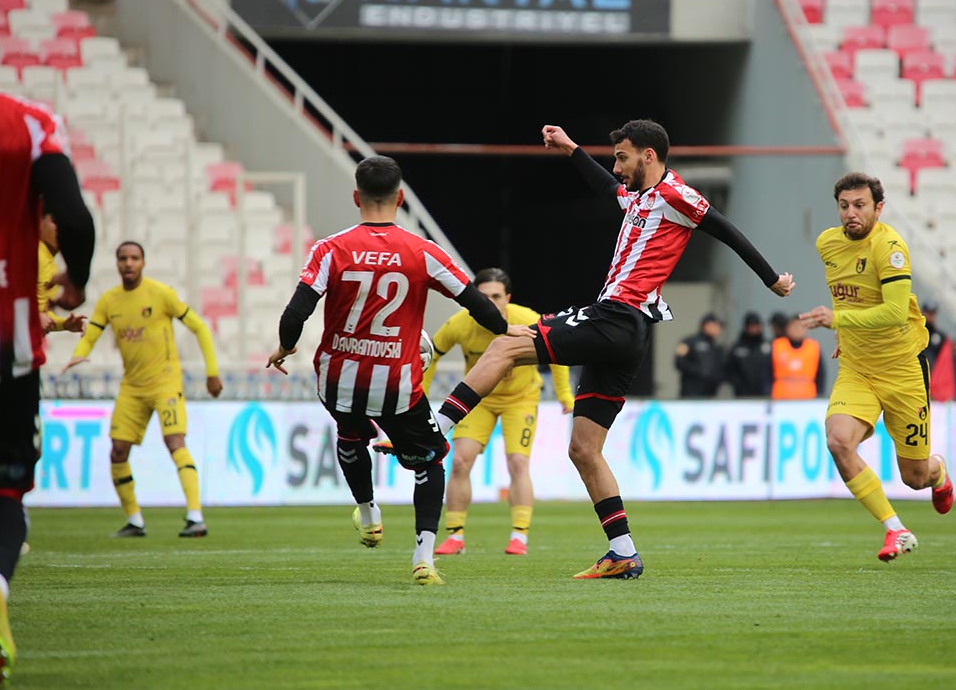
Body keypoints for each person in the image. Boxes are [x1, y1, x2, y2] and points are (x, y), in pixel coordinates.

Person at [430, 120, 795, 580]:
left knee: (505, 344)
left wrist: (772, 280)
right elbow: (607, 187)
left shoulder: (677, 195)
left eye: (623, 157)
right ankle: (623, 552)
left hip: (618, 317)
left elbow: (727, 231)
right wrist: (569, 149)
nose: (616, 166)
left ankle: (434, 428)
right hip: (628, 334)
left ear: (649, 156)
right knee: (584, 448)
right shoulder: (637, 197)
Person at [265, 156, 529, 586]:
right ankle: (423, 558)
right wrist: (504, 328)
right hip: (396, 384)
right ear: (401, 198)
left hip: (336, 379)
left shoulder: (330, 249)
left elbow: (296, 311)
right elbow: (474, 302)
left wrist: (285, 346)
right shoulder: (423, 251)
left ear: (356, 197)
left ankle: (369, 514)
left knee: (350, 433)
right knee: (432, 460)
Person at [0, 0, 96, 690]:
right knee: (1, 489)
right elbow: (74, 216)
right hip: (4, 349)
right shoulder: (28, 126)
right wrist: (76, 280)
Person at [800, 171, 953, 564]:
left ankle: (939, 472)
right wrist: (844, 335)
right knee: (838, 440)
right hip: (857, 368)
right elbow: (849, 294)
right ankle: (895, 529)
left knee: (915, 477)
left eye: (860, 205)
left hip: (903, 369)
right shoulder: (827, 244)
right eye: (844, 206)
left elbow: (893, 312)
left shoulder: (891, 248)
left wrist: (838, 322)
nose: (851, 213)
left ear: (878, 208)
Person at [64, 242, 223, 538]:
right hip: (132, 387)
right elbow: (93, 332)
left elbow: (200, 327)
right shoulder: (109, 301)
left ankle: (195, 516)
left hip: (165, 383)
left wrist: (212, 373)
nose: (128, 263)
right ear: (116, 263)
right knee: (117, 452)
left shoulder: (160, 294)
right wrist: (79, 352)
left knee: (175, 441)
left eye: (134, 258)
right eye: (123, 258)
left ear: (143, 263)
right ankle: (134, 520)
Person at [421, 267, 574, 557]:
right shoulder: (460, 323)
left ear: (508, 298)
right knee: (460, 462)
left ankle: (519, 536)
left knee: (517, 463)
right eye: (483, 297)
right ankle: (455, 536)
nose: (490, 302)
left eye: (496, 296)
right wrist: (422, 394)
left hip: (521, 399)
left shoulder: (527, 319)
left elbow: (560, 352)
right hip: (478, 400)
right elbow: (432, 352)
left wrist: (565, 394)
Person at [37, 211, 87, 336]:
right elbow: (1, 297)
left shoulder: (49, 261)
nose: (62, 228)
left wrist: (64, 324)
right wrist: (35, 316)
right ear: (39, 222)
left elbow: (42, 316)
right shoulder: (32, 254)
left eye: (66, 224)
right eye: (54, 222)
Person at [771, 314, 825, 399]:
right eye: (795, 327)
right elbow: (767, 374)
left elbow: (821, 375)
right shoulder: (777, 346)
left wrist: (819, 395)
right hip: (780, 400)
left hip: (808, 399)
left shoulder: (813, 347)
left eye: (801, 327)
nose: (798, 330)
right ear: (787, 328)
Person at [674, 312, 726, 398]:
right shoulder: (688, 342)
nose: (719, 328)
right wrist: (700, 371)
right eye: (716, 325)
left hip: (710, 396)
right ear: (706, 325)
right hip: (691, 395)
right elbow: (679, 362)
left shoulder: (718, 348)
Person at [726, 311, 772, 398]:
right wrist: (738, 385)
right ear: (746, 327)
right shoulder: (737, 348)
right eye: (751, 326)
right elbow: (730, 369)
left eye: (756, 326)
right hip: (742, 394)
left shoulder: (768, 347)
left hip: (764, 394)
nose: (754, 329)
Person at [920, 300, 945, 367]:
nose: (929, 316)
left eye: (932, 313)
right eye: (928, 312)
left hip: (930, 369)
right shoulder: (916, 329)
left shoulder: (940, 337)